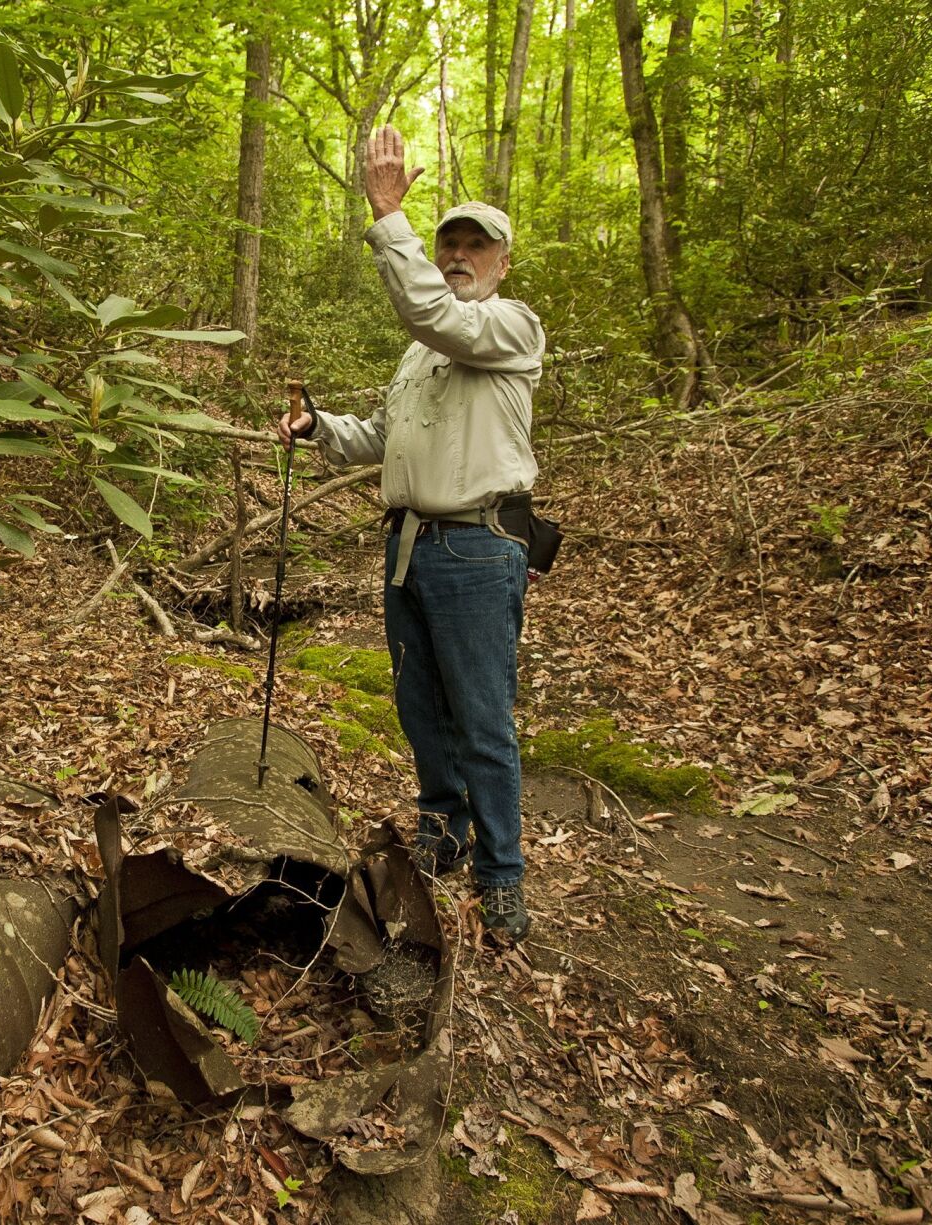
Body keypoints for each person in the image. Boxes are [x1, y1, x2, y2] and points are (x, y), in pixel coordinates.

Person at [279, 125, 544, 940]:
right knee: (420, 707)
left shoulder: (509, 325)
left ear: (501, 262)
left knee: (483, 717)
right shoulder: (419, 352)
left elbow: (433, 311)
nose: (460, 254)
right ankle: (441, 834)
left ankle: (502, 878)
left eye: (476, 245)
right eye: (449, 242)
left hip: (477, 546)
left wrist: (386, 215)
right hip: (409, 546)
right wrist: (319, 425)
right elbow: (382, 440)